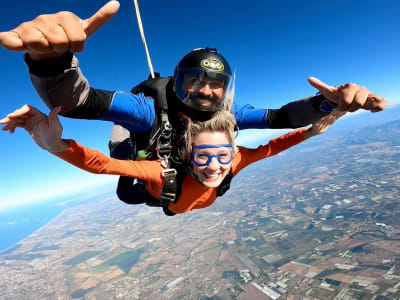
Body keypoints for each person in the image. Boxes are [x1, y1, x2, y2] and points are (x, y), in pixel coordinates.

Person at [0, 1, 387, 206]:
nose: (205, 91)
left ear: (226, 90)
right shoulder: (149, 108)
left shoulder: (230, 117)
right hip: (151, 154)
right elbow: (80, 102)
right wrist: (52, 63)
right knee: (128, 190)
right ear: (177, 82)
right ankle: (129, 143)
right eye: (193, 81)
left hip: (189, 168)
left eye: (215, 85)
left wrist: (328, 104)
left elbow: (282, 118)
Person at [1, 104, 344, 216]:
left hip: (170, 195)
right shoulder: (161, 170)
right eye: (204, 156)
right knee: (125, 183)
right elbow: (104, 165)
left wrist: (311, 132)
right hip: (151, 191)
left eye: (222, 155)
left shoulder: (234, 161)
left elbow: (270, 147)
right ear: (188, 155)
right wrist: (56, 145)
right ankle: (131, 133)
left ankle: (137, 137)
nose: (215, 165)